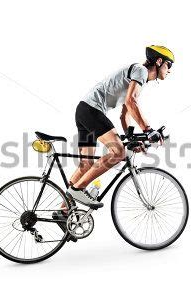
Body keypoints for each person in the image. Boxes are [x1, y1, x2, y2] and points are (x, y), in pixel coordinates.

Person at [66, 45, 174, 208]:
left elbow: (125, 113)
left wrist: (131, 137)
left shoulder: (138, 78)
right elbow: (131, 102)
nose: (169, 70)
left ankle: (63, 210)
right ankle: (78, 189)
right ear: (159, 61)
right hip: (91, 110)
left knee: (86, 165)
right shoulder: (141, 71)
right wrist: (148, 130)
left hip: (84, 110)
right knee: (118, 152)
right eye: (168, 65)